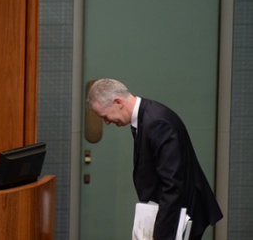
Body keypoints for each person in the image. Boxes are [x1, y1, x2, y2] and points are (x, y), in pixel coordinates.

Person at [86, 78, 222, 240]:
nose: (107, 122)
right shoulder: (146, 115)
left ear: (117, 102)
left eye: (105, 116)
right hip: (171, 211)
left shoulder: (157, 123)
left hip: (181, 214)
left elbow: (172, 185)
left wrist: (160, 234)